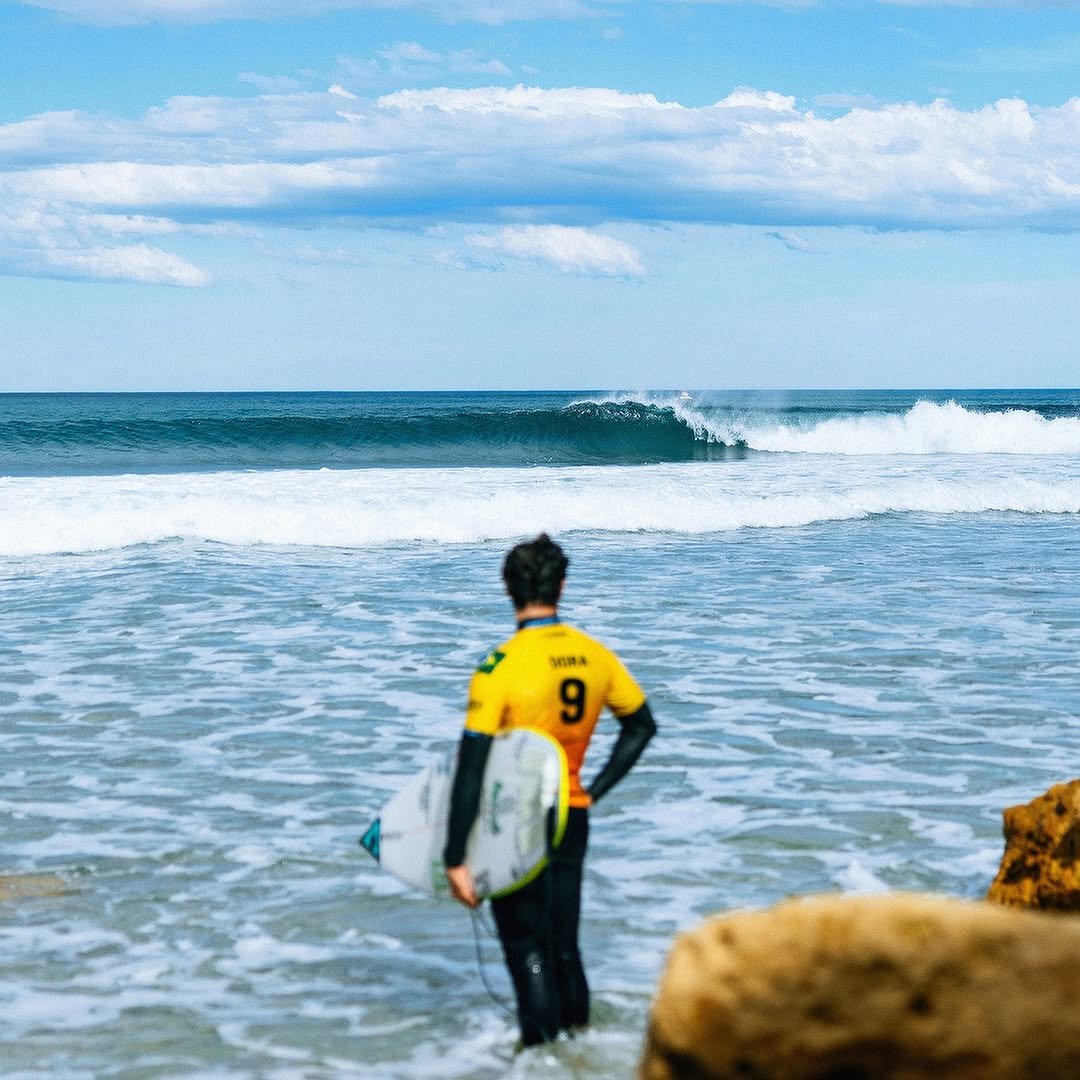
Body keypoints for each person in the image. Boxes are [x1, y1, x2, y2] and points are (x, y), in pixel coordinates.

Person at [443, 533, 657, 1047]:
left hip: (517, 822)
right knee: (565, 945)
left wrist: (455, 856)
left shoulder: (500, 667)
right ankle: (581, 1054)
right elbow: (641, 727)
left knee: (527, 949)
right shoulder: (594, 655)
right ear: (561, 585)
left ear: (507, 589)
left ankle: (542, 1063)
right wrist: (592, 791)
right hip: (572, 814)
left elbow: (471, 768)